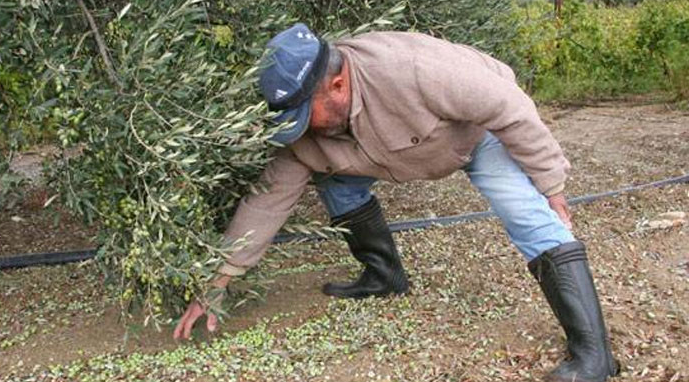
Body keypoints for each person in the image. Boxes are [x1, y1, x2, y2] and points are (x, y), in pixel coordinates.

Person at [174, 23, 620, 382]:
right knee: (334, 181)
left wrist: (551, 185)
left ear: (337, 83)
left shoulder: (413, 68)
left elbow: (509, 108)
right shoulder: (306, 135)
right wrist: (219, 281)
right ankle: (384, 276)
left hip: (471, 136)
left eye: (305, 115)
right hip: (379, 154)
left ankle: (594, 356)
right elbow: (267, 201)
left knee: (527, 216)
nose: (300, 129)